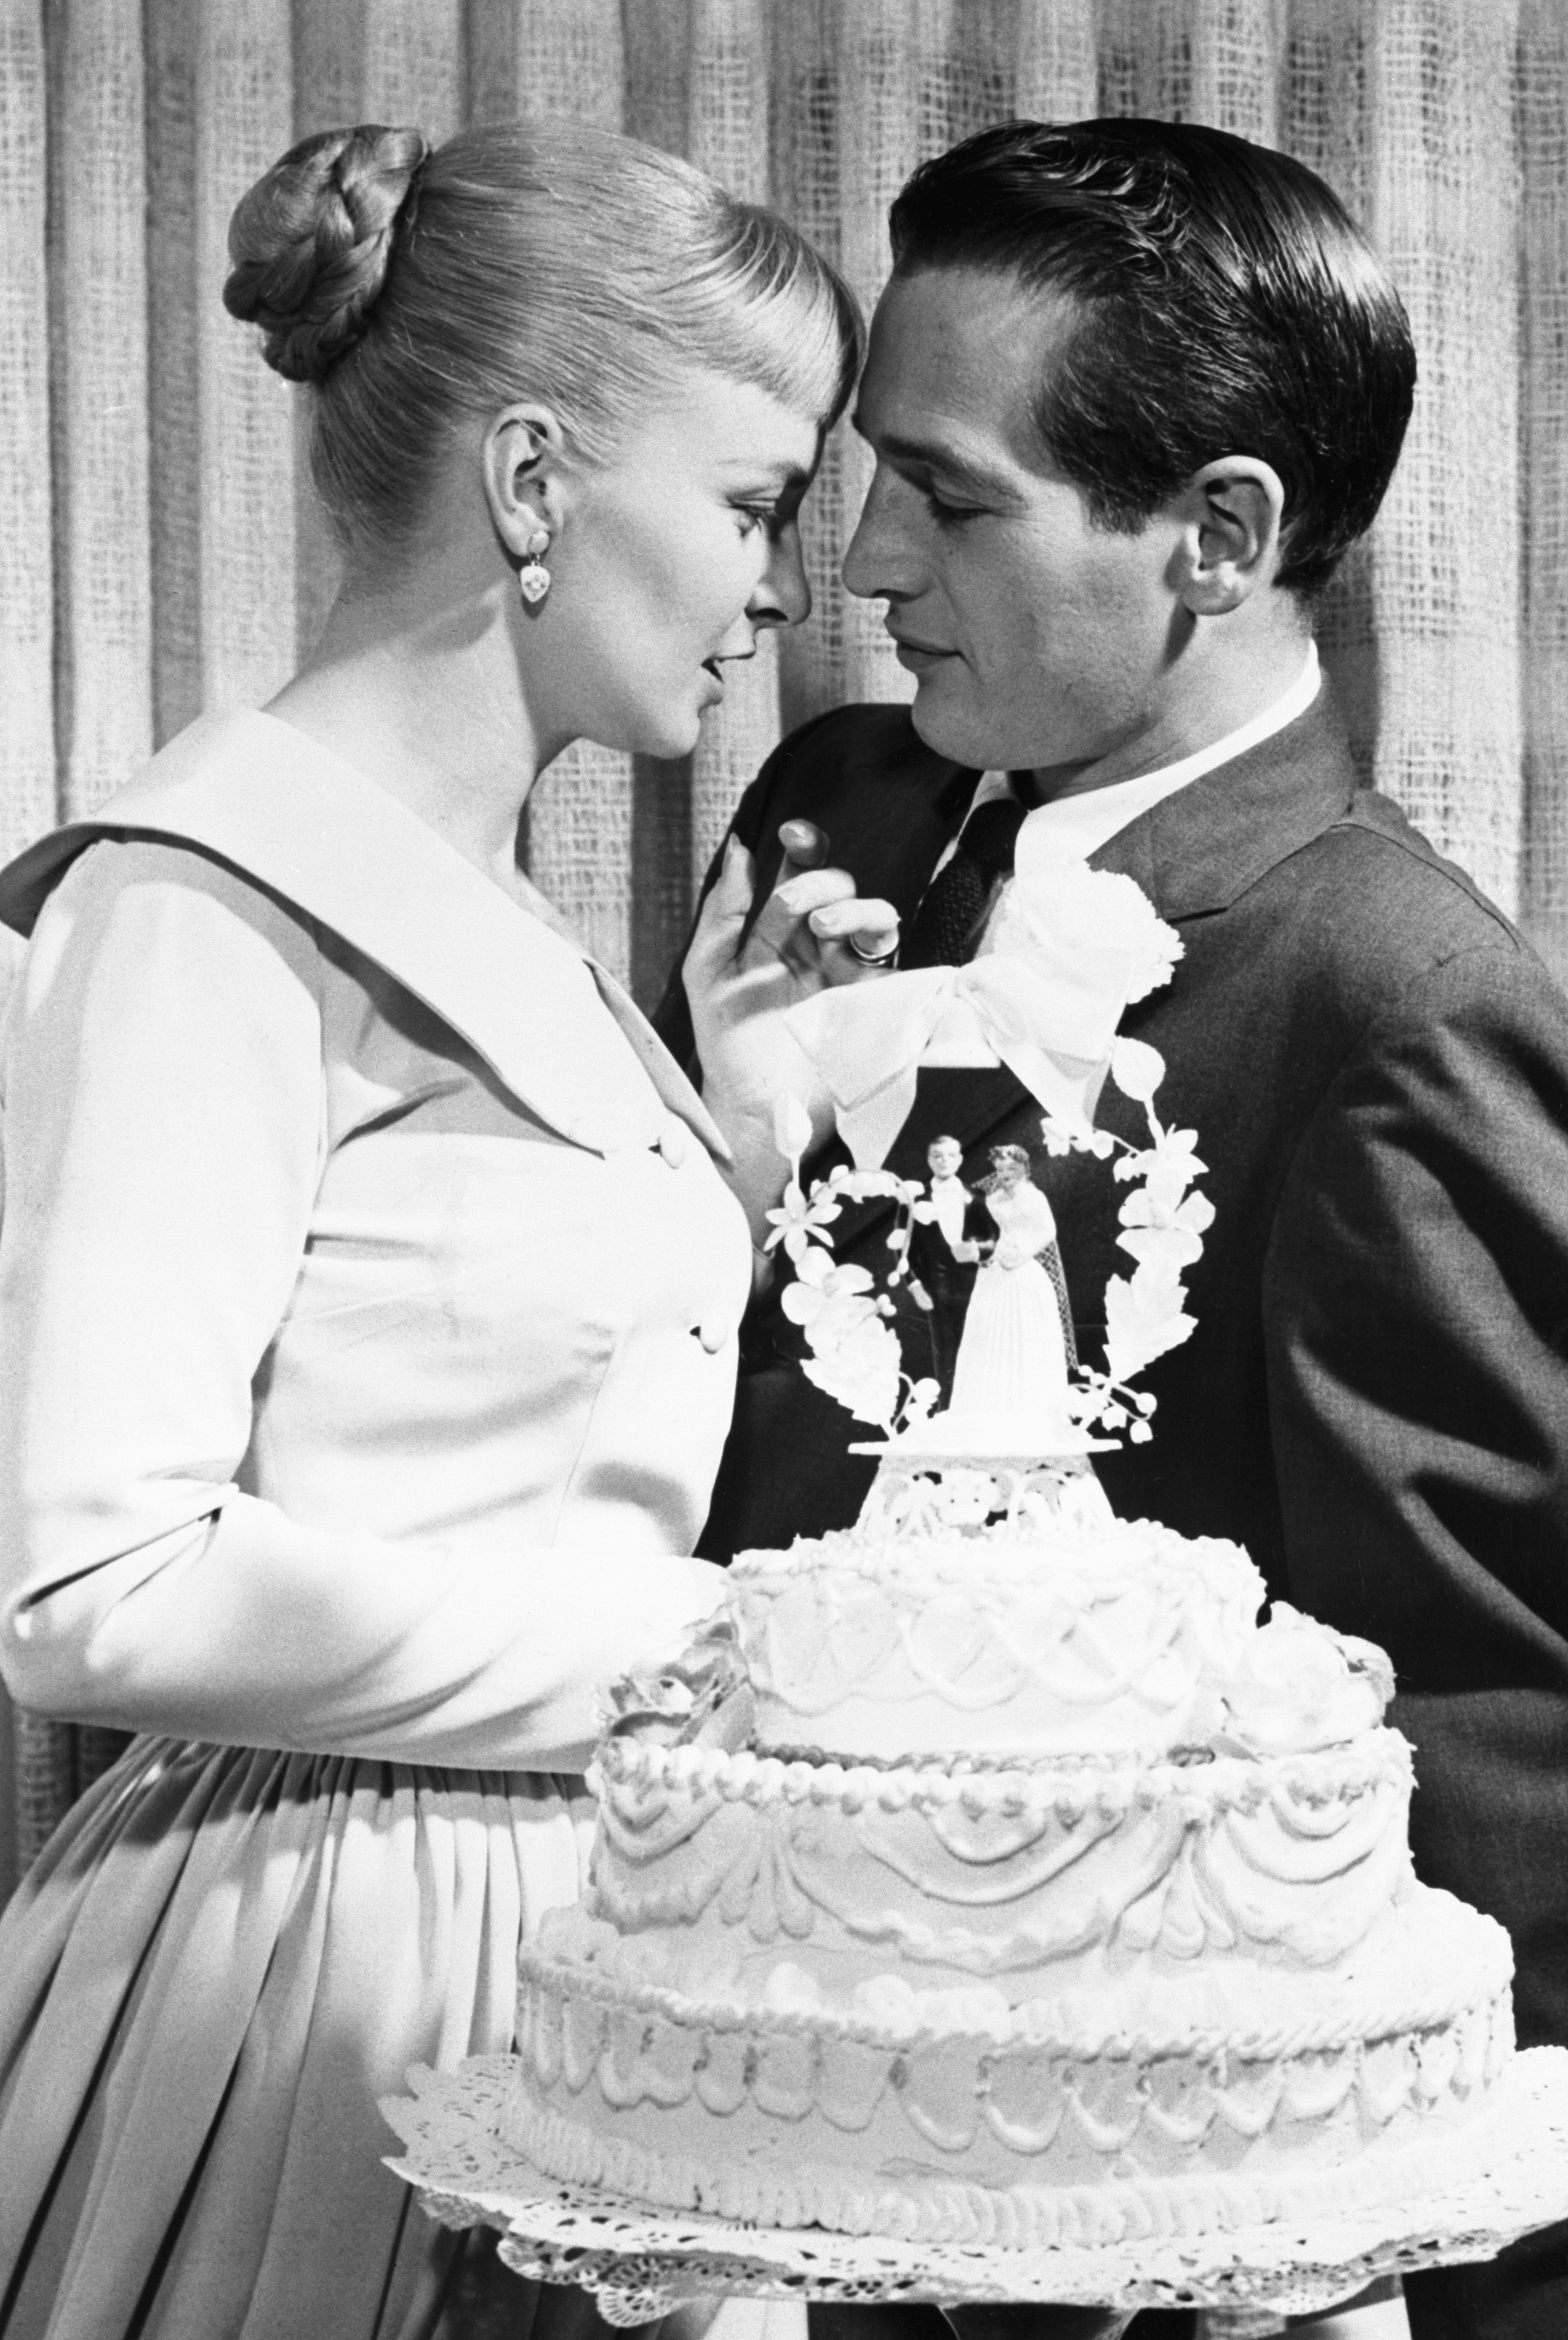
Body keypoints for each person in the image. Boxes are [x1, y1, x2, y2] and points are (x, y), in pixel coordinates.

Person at [664, 119, 1568, 2340]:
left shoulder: (1400, 1004)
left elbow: (1483, 1745)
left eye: (955, 502)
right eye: (874, 474)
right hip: (730, 2091)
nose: (864, 566)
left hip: (1147, 2202)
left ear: (1222, 537)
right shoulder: (830, 824)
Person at [0, 118, 884, 2340]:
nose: (781, 591)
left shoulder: (512, 922)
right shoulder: (203, 898)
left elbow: (493, 1401)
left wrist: (739, 1140)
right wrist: (678, 1663)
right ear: (529, 482)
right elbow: (89, 1579)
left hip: (588, 1958)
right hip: (331, 1981)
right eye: (756, 505)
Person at [946, 1142, 1071, 1429]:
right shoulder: (993, 1199)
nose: (1005, 1174)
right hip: (995, 1270)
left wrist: (1020, 1252)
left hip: (1024, 1269)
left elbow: (1048, 1231)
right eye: (1000, 1169)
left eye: (1012, 1168)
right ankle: (987, 1410)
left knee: (1025, 1335)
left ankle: (1030, 1413)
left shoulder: (1035, 1197)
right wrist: (989, 1252)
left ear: (1025, 1169)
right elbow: (989, 1230)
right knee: (989, 1334)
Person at [901, 1132, 980, 1395]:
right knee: (947, 1358)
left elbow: (991, 1237)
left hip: (980, 1287)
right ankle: (948, 1410)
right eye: (937, 1155)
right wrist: (914, 1286)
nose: (943, 1161)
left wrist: (978, 1250)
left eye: (950, 1155)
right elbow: (903, 1251)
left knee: (981, 1353)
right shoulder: (914, 1199)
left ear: (960, 1160)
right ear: (929, 1160)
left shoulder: (977, 1196)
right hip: (938, 1290)